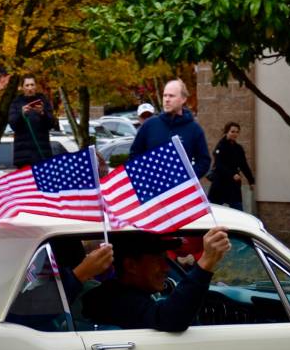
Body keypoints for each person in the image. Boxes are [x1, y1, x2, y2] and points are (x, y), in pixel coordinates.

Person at [81, 227, 230, 331]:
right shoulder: (113, 301)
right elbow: (169, 320)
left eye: (166, 259)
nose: (166, 268)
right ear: (131, 266)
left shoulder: (117, 293)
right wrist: (205, 262)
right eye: (158, 259)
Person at [129, 80, 210, 179]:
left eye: (171, 96)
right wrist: (145, 174)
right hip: (152, 188)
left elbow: (204, 161)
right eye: (165, 95)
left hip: (181, 190)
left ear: (183, 99)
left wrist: (187, 178)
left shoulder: (194, 129)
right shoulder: (149, 125)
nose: (167, 99)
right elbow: (134, 154)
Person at [7, 75, 56, 167]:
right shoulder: (16, 102)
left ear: (36, 86)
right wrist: (21, 114)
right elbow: (13, 125)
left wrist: (42, 113)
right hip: (23, 155)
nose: (30, 88)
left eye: (32, 85)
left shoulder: (43, 101)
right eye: (27, 85)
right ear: (22, 87)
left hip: (42, 152)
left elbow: (51, 123)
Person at [208, 122, 255, 210]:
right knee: (214, 211)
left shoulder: (238, 148)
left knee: (238, 211)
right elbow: (219, 165)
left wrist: (251, 181)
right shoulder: (220, 146)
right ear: (227, 132)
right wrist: (232, 175)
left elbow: (244, 165)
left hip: (233, 186)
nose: (235, 134)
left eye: (237, 132)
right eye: (232, 131)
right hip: (220, 184)